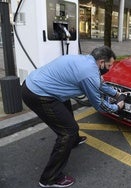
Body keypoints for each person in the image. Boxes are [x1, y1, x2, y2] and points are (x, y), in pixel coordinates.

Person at [21, 46, 125, 188]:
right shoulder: (88, 74)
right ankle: (49, 178)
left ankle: (74, 140)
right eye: (109, 65)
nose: (110, 68)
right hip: (39, 95)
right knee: (68, 131)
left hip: (39, 86)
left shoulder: (86, 61)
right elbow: (100, 106)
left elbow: (99, 84)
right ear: (101, 62)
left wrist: (116, 94)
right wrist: (118, 106)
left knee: (67, 111)